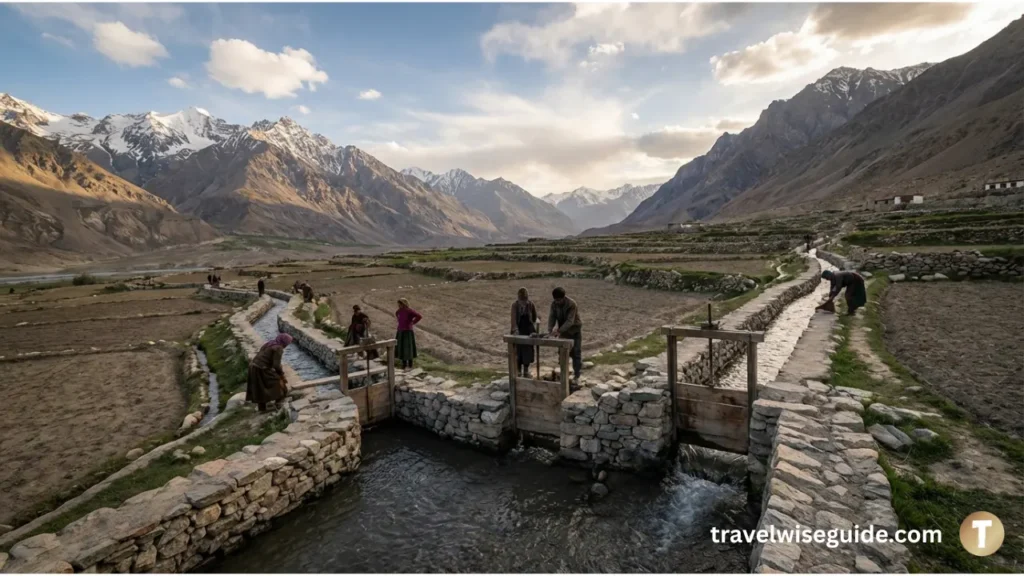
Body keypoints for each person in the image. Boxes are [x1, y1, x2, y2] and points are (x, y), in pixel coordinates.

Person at [246, 333, 292, 412]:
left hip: (253, 367)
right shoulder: (278, 348)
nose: (287, 345)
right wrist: (281, 375)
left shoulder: (270, 343)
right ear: (284, 342)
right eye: (287, 343)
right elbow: (276, 365)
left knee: (259, 387)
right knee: (277, 382)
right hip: (261, 368)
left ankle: (262, 408)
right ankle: (279, 403)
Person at [547, 286, 583, 386]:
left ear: (563, 297)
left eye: (559, 300)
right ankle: (564, 375)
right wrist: (550, 330)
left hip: (574, 330)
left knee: (576, 353)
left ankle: (577, 375)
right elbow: (552, 317)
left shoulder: (572, 304)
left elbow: (570, 321)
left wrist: (558, 330)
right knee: (562, 353)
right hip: (563, 331)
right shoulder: (554, 304)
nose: (557, 302)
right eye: (555, 300)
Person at [510, 287, 538, 377]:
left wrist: (533, 328)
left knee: (528, 351)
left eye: (525, 301)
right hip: (518, 329)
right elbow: (513, 319)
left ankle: (526, 370)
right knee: (518, 352)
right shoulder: (515, 305)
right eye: (522, 301)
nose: (523, 303)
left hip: (528, 330)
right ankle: (518, 370)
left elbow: (534, 317)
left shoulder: (530, 304)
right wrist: (515, 330)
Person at [395, 298, 422, 370]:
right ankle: (403, 364)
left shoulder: (409, 311)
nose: (398, 305)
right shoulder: (398, 311)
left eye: (400, 304)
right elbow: (398, 316)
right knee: (402, 348)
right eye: (398, 304)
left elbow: (419, 316)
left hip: (408, 332)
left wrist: (412, 323)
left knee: (408, 348)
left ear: (403, 303)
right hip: (400, 331)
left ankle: (410, 364)